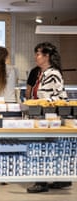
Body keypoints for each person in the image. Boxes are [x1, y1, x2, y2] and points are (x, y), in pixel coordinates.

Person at [26, 42, 70, 193]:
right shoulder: (42, 73)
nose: (35, 57)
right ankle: (61, 178)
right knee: (47, 147)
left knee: (43, 148)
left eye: (38, 54)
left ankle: (42, 182)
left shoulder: (52, 74)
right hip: (43, 117)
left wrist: (35, 103)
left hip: (49, 118)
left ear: (47, 56)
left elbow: (56, 99)